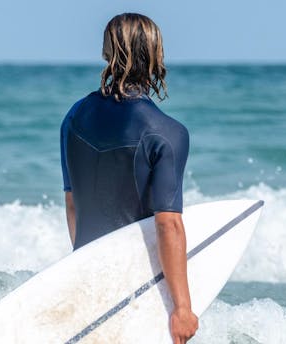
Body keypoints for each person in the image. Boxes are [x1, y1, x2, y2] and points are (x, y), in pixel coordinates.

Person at [59, 13, 197, 344]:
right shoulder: (167, 132)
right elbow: (168, 224)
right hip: (135, 282)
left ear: (107, 53)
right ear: (156, 56)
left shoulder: (74, 117)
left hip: (88, 279)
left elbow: (72, 204)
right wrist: (182, 309)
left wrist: (85, 265)